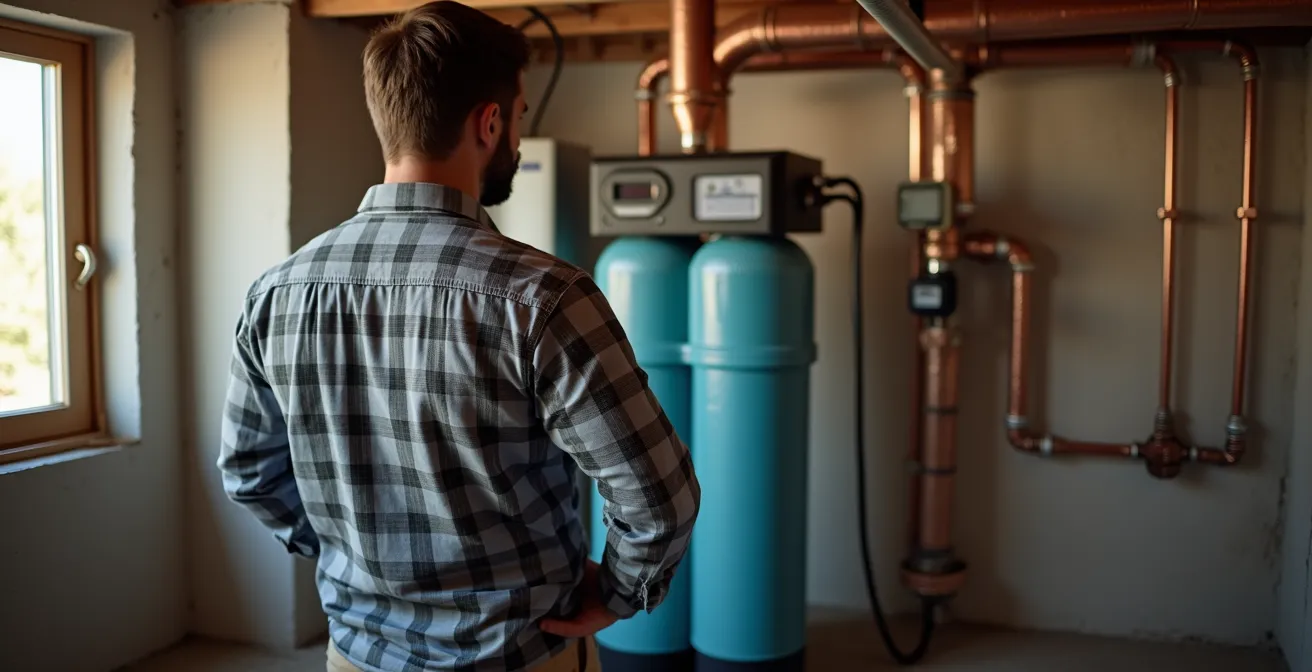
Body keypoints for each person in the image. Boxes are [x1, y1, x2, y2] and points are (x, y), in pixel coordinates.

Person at [215, 2, 701, 670]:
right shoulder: (547, 298)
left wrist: (350, 553)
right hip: (519, 653)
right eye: (519, 117)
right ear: (489, 122)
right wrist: (617, 594)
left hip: (356, 654)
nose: (517, 138)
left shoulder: (276, 293)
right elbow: (659, 496)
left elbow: (249, 472)